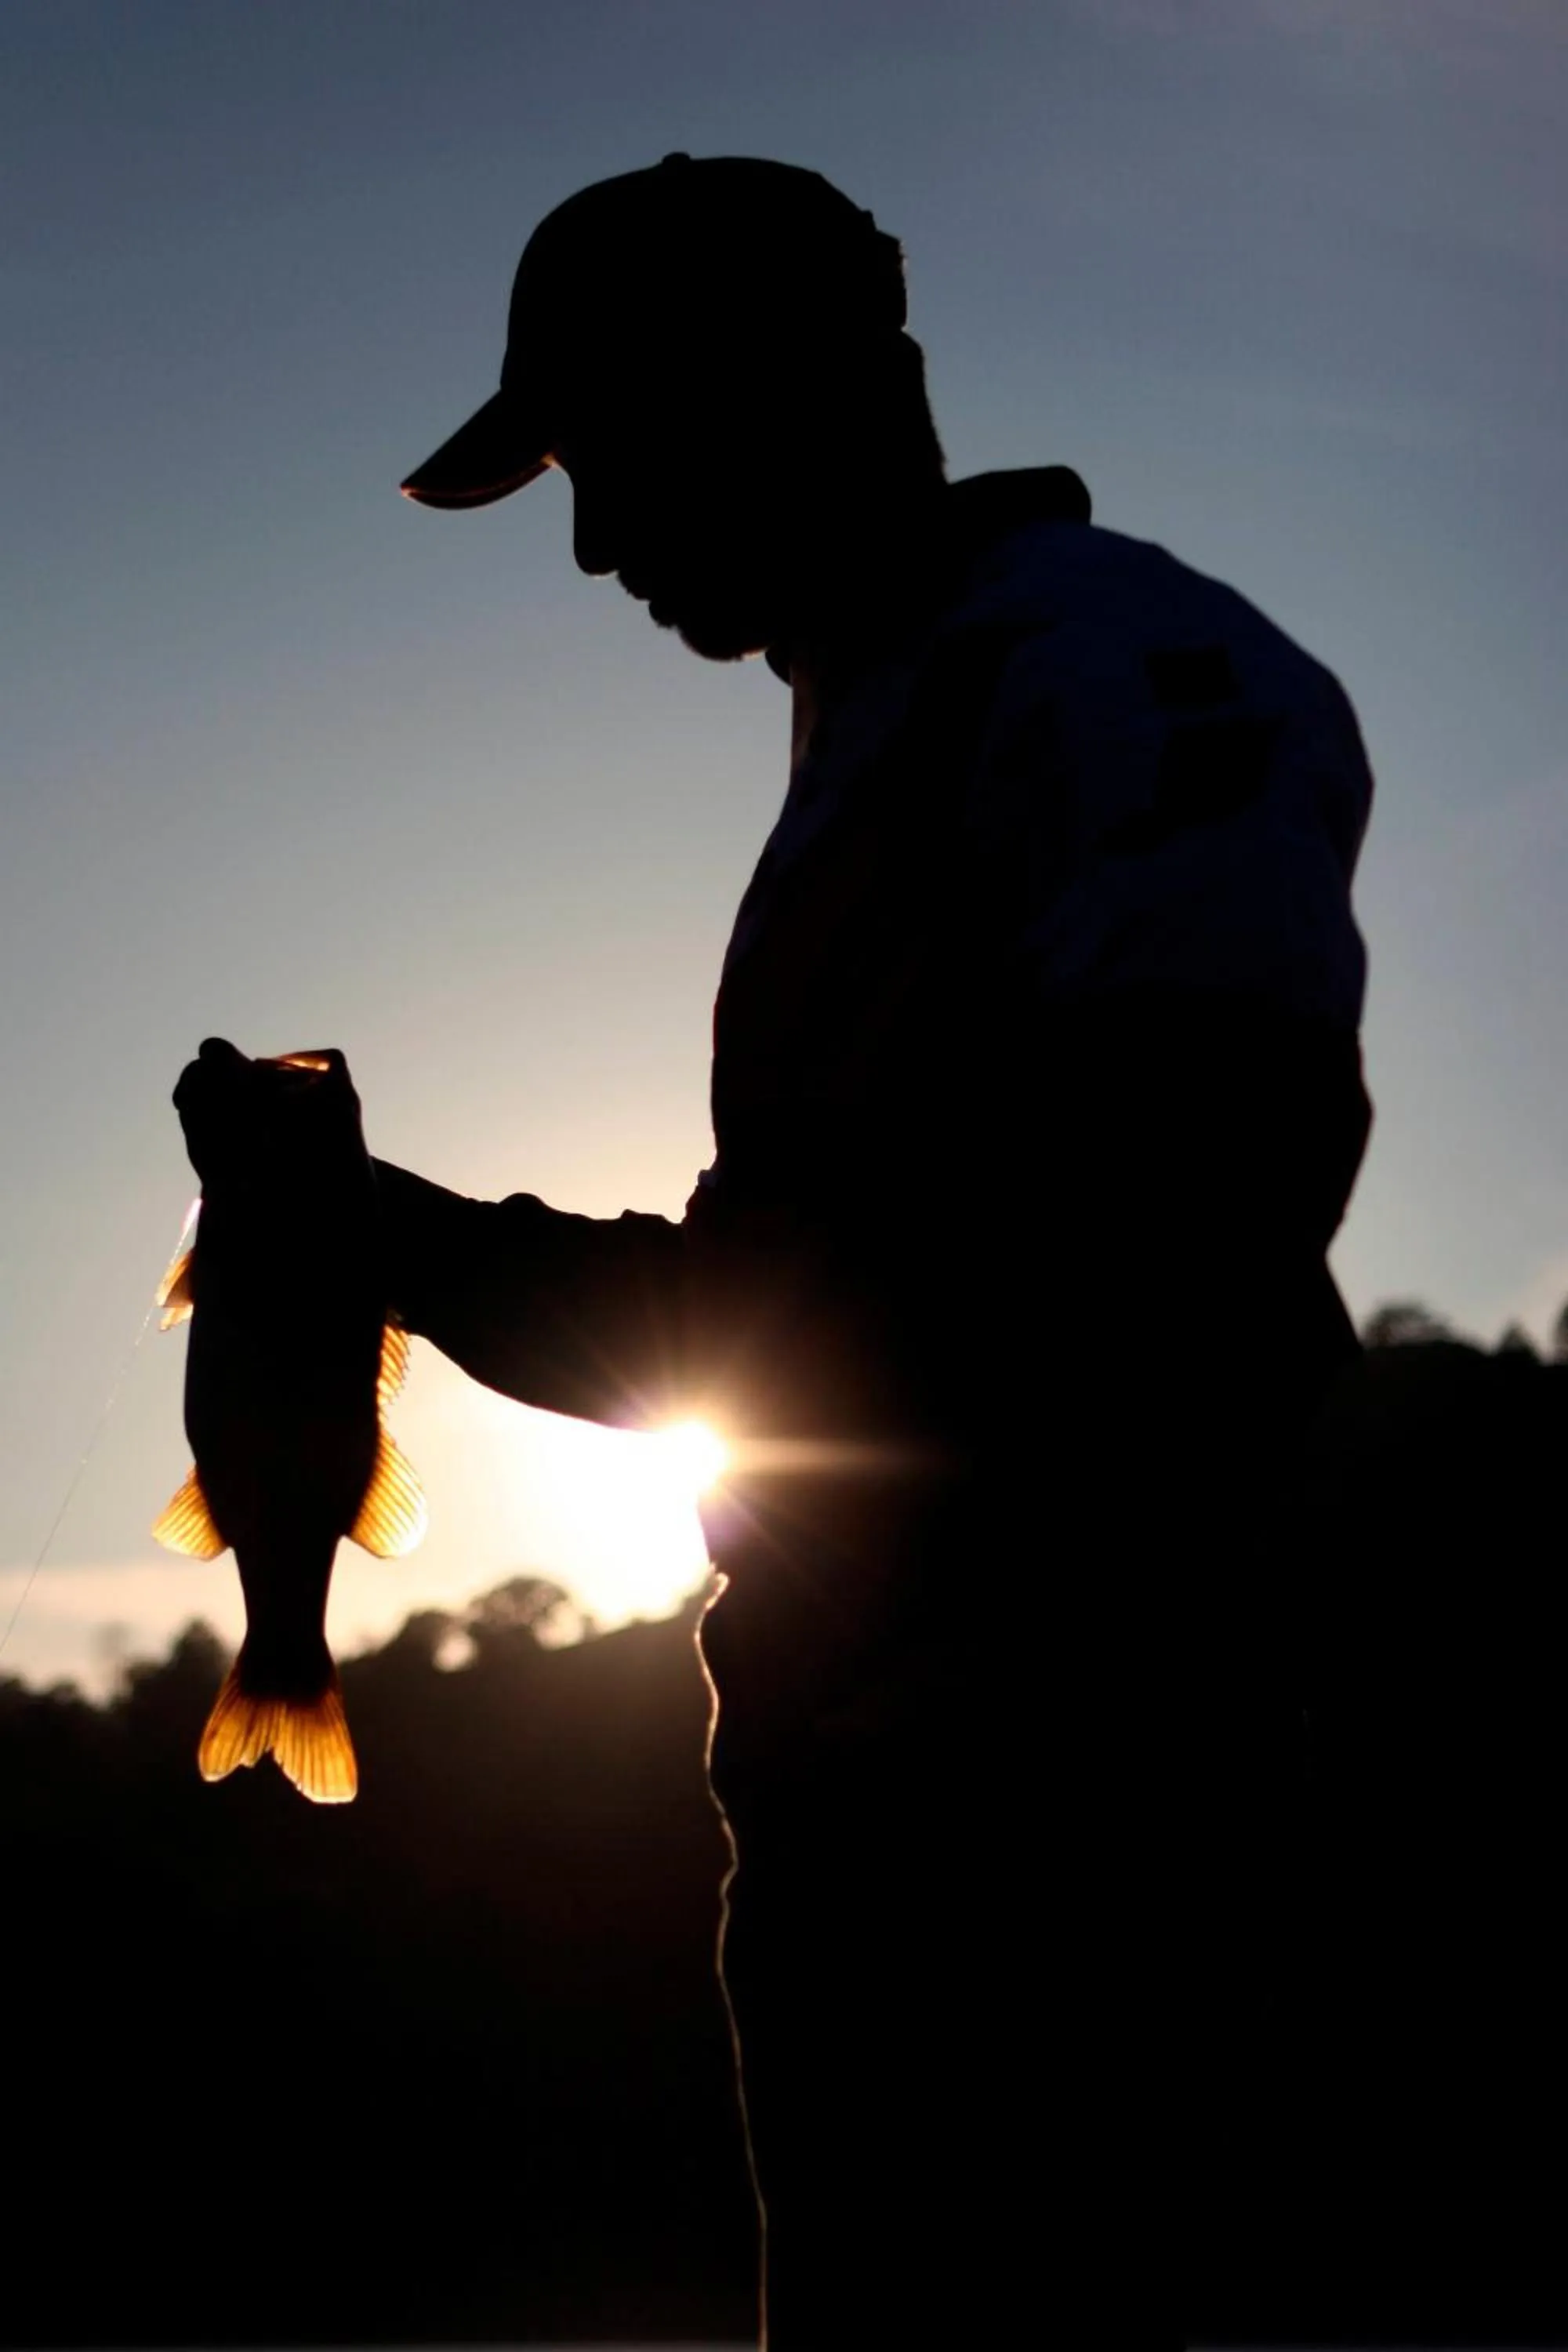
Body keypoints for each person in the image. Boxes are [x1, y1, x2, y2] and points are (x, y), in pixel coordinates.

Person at [196, 155, 1377, 2345]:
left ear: (813, 390)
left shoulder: (1104, 669)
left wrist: (398, 1245)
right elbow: (833, 1295)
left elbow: (1160, 1227)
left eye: (609, 457)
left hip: (1040, 1857)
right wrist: (390, 1241)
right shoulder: (901, 715)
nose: (591, 547)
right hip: (884, 1827)